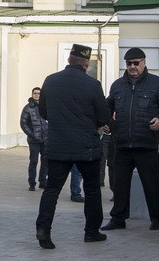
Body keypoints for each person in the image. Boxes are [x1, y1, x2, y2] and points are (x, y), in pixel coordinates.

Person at [34, 44, 111, 249]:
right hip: (87, 147)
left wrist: (60, 121)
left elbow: (43, 111)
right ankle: (92, 232)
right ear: (86, 63)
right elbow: (103, 116)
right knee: (92, 190)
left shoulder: (50, 81)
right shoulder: (93, 84)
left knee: (51, 190)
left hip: (58, 145)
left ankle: (43, 230)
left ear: (69, 60)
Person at [103, 48, 159, 231]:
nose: (132, 67)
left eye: (136, 63)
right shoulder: (117, 85)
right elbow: (107, 107)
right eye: (129, 63)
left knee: (151, 184)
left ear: (144, 63)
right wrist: (106, 122)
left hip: (146, 143)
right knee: (120, 185)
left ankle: (157, 219)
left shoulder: (157, 84)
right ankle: (118, 218)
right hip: (122, 144)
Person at [20, 87, 47, 191]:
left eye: (39, 93)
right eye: (35, 93)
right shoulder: (27, 108)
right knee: (33, 162)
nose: (37, 95)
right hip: (34, 140)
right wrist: (32, 134)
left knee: (45, 161)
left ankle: (42, 181)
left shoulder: (45, 106)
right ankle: (32, 182)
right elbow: (23, 123)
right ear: (32, 95)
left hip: (45, 139)